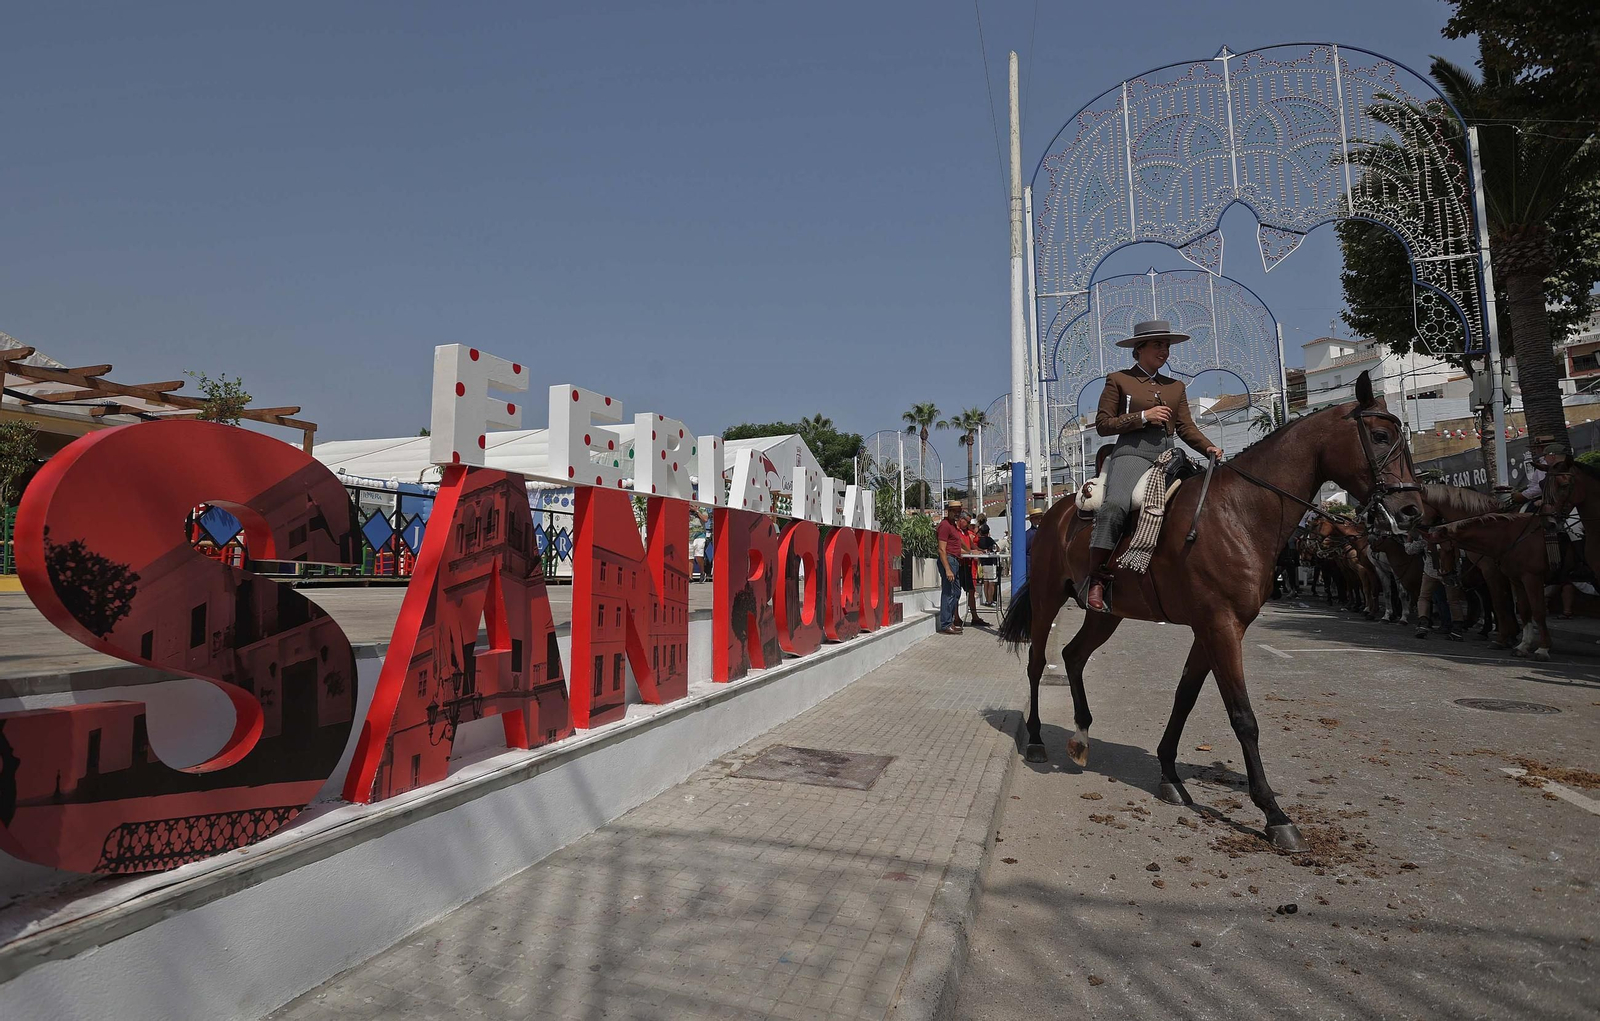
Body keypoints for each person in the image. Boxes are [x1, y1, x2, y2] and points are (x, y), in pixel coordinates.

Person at [1083, 320, 1223, 611]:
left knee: (1201, 503)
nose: (1165, 350)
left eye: (1167, 346)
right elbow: (1103, 425)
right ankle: (1095, 579)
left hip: (1167, 454)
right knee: (1115, 505)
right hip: (1131, 453)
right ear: (1139, 349)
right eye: (1158, 344)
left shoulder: (1176, 387)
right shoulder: (1119, 380)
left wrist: (1207, 445)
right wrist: (1142, 417)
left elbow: (1186, 427)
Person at [936, 500, 965, 634]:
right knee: (948, 593)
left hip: (954, 560)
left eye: (959, 511)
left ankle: (950, 621)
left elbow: (958, 545)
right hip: (949, 560)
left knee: (956, 592)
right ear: (949, 511)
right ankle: (946, 623)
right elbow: (942, 549)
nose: (958, 514)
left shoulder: (953, 526)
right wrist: (947, 568)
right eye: (955, 511)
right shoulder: (945, 526)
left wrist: (971, 551)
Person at [976, 523, 999, 606]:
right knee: (991, 583)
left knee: (985, 583)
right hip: (991, 563)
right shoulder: (989, 539)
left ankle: (986, 600)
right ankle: (990, 600)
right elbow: (997, 548)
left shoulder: (979, 540)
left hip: (983, 563)